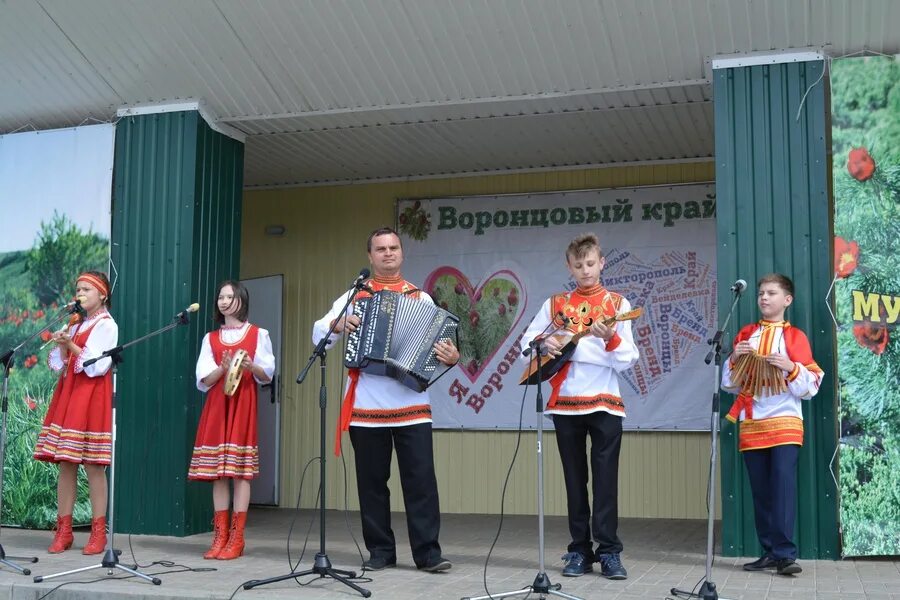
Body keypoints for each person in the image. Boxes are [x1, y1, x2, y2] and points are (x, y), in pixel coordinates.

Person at [312, 227, 459, 573]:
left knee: (421, 482)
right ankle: (380, 551)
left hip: (412, 407)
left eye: (393, 247)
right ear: (370, 256)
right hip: (367, 407)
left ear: (402, 254)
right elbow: (318, 333)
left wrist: (451, 357)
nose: (388, 253)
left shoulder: (420, 299)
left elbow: (439, 353)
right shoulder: (354, 296)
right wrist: (337, 323)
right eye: (380, 249)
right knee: (372, 484)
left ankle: (428, 554)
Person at [522, 233, 639, 579]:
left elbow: (628, 358)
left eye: (591, 263)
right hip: (565, 404)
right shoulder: (556, 304)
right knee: (574, 480)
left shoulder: (618, 303)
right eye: (579, 265)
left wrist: (610, 337)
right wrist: (546, 344)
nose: (585, 270)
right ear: (569, 266)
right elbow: (526, 343)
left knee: (606, 480)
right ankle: (579, 551)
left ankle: (610, 551)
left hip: (605, 403)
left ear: (602, 263)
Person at [722, 273, 823, 576]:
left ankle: (785, 554)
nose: (764, 298)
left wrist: (791, 367)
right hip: (752, 421)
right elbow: (729, 384)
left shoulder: (795, 338)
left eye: (771, 293)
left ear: (787, 300)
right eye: (761, 293)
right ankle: (769, 552)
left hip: (785, 422)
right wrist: (733, 360)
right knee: (761, 490)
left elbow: (812, 386)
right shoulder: (746, 334)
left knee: (781, 486)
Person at [188, 280, 275, 560]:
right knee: (218, 473)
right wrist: (221, 369)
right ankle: (220, 537)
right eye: (221, 297)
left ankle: (237, 538)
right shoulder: (210, 338)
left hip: (242, 403)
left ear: (242, 300)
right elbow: (203, 379)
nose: (224, 301)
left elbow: (267, 374)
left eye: (230, 296)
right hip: (217, 404)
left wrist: (253, 366)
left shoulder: (258, 334)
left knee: (240, 472)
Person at [34, 271, 118, 555]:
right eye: (78, 289)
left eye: (86, 290)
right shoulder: (76, 322)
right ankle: (64, 530)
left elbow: (96, 365)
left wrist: (69, 345)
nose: (79, 294)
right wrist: (62, 344)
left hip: (91, 396)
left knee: (94, 465)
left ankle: (98, 533)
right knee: (66, 463)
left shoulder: (107, 325)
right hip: (70, 393)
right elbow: (62, 364)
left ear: (102, 294)